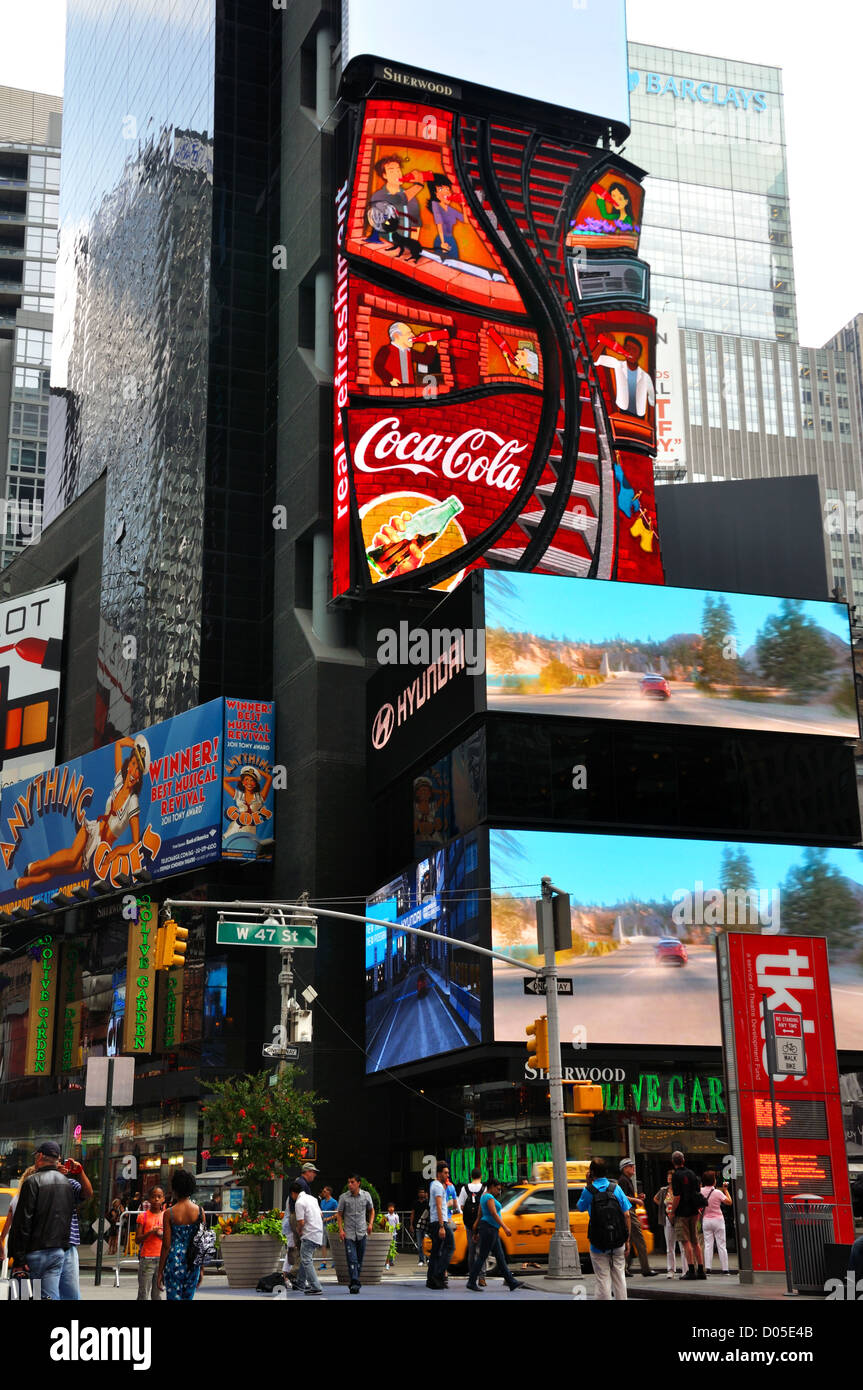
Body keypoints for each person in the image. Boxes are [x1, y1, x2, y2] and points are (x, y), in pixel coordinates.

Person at [15, 736, 149, 888]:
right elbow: (118, 745)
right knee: (71, 857)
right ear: (128, 766)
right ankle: (38, 866)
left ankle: (25, 882)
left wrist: (118, 850)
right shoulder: (119, 783)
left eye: (139, 769)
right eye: (133, 764)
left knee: (58, 871)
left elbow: (135, 843)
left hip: (98, 850)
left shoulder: (133, 802)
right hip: (92, 829)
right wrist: (136, 746)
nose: (134, 772)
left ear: (139, 777)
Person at [7, 1140, 76, 1300]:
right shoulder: (66, 1183)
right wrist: (62, 1248)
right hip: (56, 1251)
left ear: (39, 1156)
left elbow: (23, 1221)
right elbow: (67, 1218)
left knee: (23, 1295)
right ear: (57, 1159)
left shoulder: (32, 1182)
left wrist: (19, 1258)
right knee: (49, 1296)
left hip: (33, 1253)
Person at [576, 1157, 632, 1301]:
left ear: (591, 1173)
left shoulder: (589, 1191)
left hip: (598, 1243)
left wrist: (588, 1184)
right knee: (619, 1277)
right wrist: (627, 1240)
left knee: (603, 1279)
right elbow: (626, 1214)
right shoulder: (616, 1188)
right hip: (618, 1241)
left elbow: (580, 1207)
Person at [465, 1176, 524, 1293]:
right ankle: (471, 1282)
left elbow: (479, 1215)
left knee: (500, 1257)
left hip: (489, 1229)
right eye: (498, 1189)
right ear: (491, 1187)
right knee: (482, 1256)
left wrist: (476, 1230)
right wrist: (505, 1227)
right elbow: (493, 1213)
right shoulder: (489, 1197)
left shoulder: (483, 1197)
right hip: (489, 1229)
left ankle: (511, 1282)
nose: (499, 1191)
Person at [158, 1168, 205, 1301]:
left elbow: (166, 1245)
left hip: (174, 1261)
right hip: (192, 1262)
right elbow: (202, 1243)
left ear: (175, 1189)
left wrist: (160, 1271)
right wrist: (201, 1269)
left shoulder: (169, 1213)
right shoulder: (200, 1212)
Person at [593, 333, 655, 419]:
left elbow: (652, 399)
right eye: (628, 348)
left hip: (640, 417)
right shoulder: (617, 364)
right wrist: (603, 342)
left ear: (639, 354)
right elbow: (594, 360)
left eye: (634, 350)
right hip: (621, 412)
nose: (630, 352)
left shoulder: (645, 376)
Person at [58, 1157, 92, 1301]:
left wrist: (80, 1172)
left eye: (61, 1161)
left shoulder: (70, 1184)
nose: (60, 1165)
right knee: (43, 1291)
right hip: (43, 1246)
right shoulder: (37, 1181)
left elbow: (88, 1193)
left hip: (67, 1245)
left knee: (71, 1292)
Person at [670, 1150, 706, 1281]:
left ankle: (691, 1270)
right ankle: (701, 1270)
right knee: (695, 1240)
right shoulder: (691, 1174)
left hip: (682, 1212)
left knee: (686, 1241)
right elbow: (697, 1191)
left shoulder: (676, 1176)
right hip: (694, 1211)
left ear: (673, 1162)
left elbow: (677, 1196)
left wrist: (672, 1212)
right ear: (683, 1160)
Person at [337, 1174, 374, 1294]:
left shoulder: (366, 1195)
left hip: (362, 1232)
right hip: (349, 1233)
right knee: (352, 1259)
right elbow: (339, 1214)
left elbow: (371, 1210)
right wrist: (341, 1230)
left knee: (359, 1259)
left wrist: (370, 1224)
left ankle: (354, 1282)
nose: (350, 1184)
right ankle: (355, 1281)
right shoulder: (343, 1197)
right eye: (348, 1182)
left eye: (352, 1182)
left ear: (358, 1183)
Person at [618, 1158, 656, 1276]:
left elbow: (626, 1196)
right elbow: (623, 1197)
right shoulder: (623, 1180)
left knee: (628, 1240)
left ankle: (625, 1269)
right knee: (639, 1240)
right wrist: (636, 1200)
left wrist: (637, 1197)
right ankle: (646, 1269)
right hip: (629, 1212)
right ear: (625, 1168)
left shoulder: (627, 1180)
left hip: (629, 1210)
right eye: (631, 1166)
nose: (633, 1167)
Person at [291, 1179, 325, 1296]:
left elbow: (301, 1221)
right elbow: (321, 1214)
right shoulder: (313, 1198)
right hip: (318, 1231)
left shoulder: (299, 1203)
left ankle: (315, 1286)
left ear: (293, 1193)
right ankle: (300, 1282)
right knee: (305, 1258)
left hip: (309, 1233)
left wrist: (298, 1230)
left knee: (306, 1260)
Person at [654, 1168, 687, 1280]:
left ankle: (685, 1269)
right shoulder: (664, 1190)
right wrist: (663, 1208)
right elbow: (655, 1198)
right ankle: (671, 1270)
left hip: (678, 1217)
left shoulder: (680, 1189)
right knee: (670, 1246)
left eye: (671, 1176)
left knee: (682, 1245)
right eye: (668, 1176)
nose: (669, 1178)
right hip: (667, 1218)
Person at [427, 1161, 453, 1290]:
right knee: (450, 1246)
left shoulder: (437, 1186)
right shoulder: (437, 1186)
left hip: (436, 1221)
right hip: (439, 1222)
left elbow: (441, 1205)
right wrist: (442, 1226)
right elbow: (438, 1205)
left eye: (448, 1172)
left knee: (436, 1252)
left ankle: (431, 1280)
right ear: (439, 1173)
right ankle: (438, 1275)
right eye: (445, 1173)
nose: (447, 1175)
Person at [136, 1186, 165, 1300]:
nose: (156, 1199)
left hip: (162, 1258)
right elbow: (137, 1239)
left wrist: (160, 1234)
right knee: (143, 1292)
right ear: (148, 1199)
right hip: (147, 1258)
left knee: (157, 1294)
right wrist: (150, 1232)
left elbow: (169, 1238)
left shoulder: (166, 1216)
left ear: (163, 1199)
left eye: (159, 1197)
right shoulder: (143, 1216)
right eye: (153, 1197)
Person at [700, 1170, 732, 1274]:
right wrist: (725, 1190)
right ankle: (725, 1269)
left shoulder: (700, 1191)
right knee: (721, 1245)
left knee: (708, 1245)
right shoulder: (718, 1192)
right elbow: (729, 1202)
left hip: (706, 1220)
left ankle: (708, 1268)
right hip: (718, 1220)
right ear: (714, 1181)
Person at [459, 1168, 486, 1286]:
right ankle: (482, 1277)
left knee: (471, 1250)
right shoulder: (484, 1189)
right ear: (481, 1176)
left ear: (471, 1176)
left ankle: (472, 1276)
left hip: (469, 1224)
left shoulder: (464, 1189)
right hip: (481, 1223)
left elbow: (461, 1206)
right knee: (481, 1251)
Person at [428, 175, 464, 260]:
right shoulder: (435, 205)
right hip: (441, 239)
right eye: (440, 189)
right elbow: (439, 222)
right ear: (435, 194)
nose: (446, 192)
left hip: (451, 240)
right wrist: (442, 242)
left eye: (447, 189)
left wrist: (463, 206)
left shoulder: (451, 210)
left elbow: (465, 220)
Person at [318, 1185, 338, 1269]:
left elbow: (337, 1213)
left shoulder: (334, 1202)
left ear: (329, 1192)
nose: (323, 1193)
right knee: (323, 1244)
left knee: (332, 1244)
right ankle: (324, 1261)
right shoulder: (322, 1201)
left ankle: (335, 1260)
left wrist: (329, 1218)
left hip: (331, 1225)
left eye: (325, 1191)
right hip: (323, 1224)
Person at [409, 1187, 429, 1267]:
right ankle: (421, 1259)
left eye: (423, 1192)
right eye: (420, 1192)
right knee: (420, 1244)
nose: (421, 1193)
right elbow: (412, 1213)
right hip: (417, 1225)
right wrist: (411, 1224)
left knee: (426, 1243)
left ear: (425, 1193)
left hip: (426, 1225)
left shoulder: (427, 1202)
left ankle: (428, 1258)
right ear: (418, 1194)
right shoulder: (415, 1203)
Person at [384, 1202, 400, 1269]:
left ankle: (391, 1261)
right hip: (387, 1233)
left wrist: (397, 1227)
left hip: (394, 1233)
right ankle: (386, 1260)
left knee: (393, 1248)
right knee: (387, 1247)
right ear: (388, 1208)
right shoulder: (386, 1216)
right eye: (390, 1207)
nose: (391, 1208)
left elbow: (398, 1224)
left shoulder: (396, 1216)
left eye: (392, 1207)